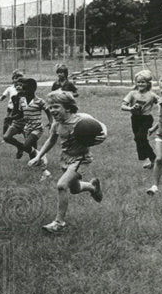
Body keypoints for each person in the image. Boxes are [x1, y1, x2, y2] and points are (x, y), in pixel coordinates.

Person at [28, 90, 105, 233]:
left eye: (56, 106)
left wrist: (104, 133)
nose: (52, 110)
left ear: (68, 107)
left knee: (62, 185)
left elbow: (100, 125)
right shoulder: (56, 124)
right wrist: (39, 156)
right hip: (66, 158)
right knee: (74, 189)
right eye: (50, 107)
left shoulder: (82, 119)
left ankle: (59, 223)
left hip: (81, 159)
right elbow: (51, 141)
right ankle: (93, 187)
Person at [120, 69, 158, 169]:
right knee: (140, 139)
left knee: (139, 137)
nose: (140, 84)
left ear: (148, 83)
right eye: (138, 82)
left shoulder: (151, 95)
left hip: (147, 119)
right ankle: (152, 158)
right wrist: (130, 108)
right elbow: (122, 106)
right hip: (135, 119)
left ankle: (146, 159)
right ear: (136, 83)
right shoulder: (132, 93)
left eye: (143, 82)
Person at [0, 71, 25, 136]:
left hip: (19, 109)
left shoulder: (23, 88)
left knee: (20, 123)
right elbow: (4, 95)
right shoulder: (10, 88)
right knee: (6, 121)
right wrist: (0, 98)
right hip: (10, 108)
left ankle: (25, 135)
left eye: (19, 79)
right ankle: (5, 136)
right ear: (13, 80)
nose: (17, 80)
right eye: (16, 78)